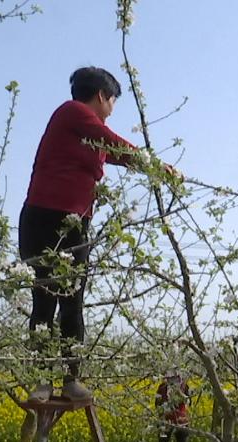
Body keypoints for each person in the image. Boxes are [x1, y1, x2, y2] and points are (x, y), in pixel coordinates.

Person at [18, 67, 151, 401]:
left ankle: (69, 378)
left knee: (72, 301)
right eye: (113, 101)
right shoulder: (74, 112)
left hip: (73, 222)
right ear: (102, 96)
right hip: (48, 218)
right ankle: (43, 380)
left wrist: (150, 167)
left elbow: (113, 152)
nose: (112, 110)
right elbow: (113, 144)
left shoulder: (87, 133)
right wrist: (153, 164)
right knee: (46, 300)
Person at [156, 369, 191, 442]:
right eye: (170, 378)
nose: (173, 380)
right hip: (165, 421)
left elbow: (188, 402)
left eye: (175, 377)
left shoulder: (184, 386)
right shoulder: (162, 388)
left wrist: (180, 393)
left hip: (181, 421)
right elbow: (157, 403)